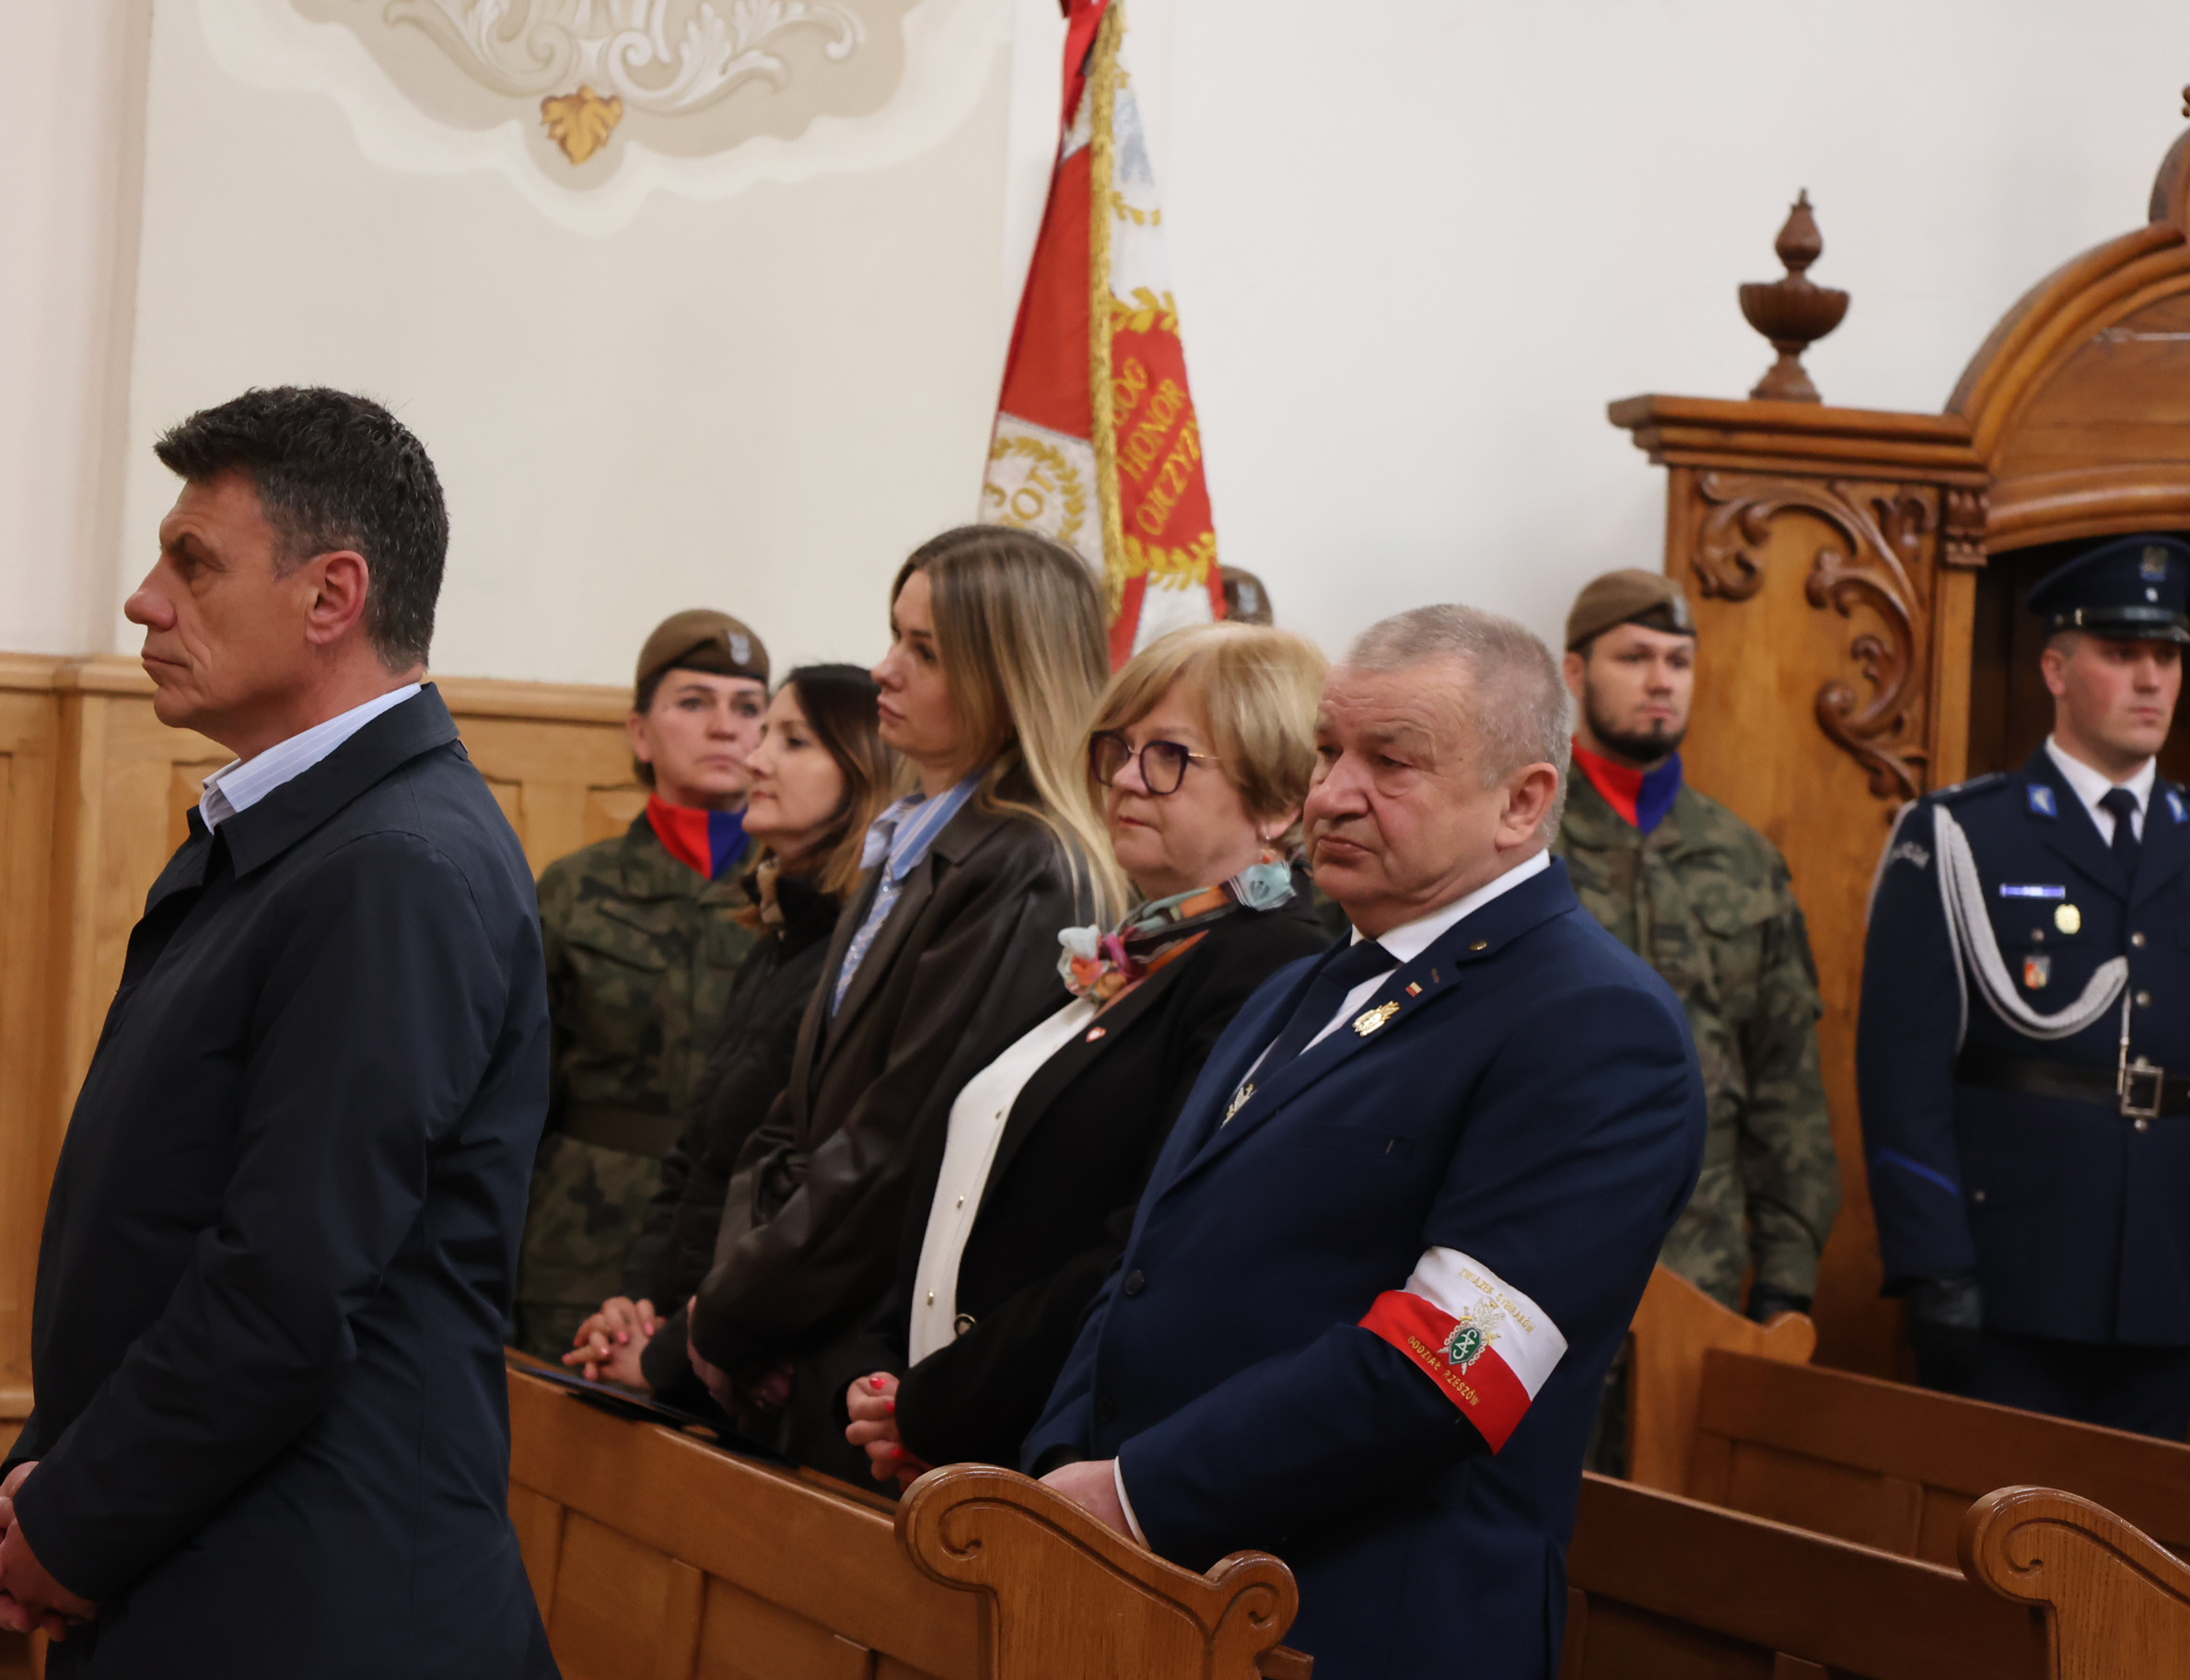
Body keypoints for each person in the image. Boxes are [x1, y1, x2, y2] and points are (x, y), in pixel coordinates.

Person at [0, 387, 556, 1673]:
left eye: (193, 563)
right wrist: (55, 1480)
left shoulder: (393, 865)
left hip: (316, 1594)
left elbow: (284, 1281)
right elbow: (164, 1218)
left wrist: (76, 1521)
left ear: (332, 596)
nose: (145, 601)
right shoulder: (303, 838)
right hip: (221, 1548)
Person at [1021, 604, 1707, 1680]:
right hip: (1156, 1587)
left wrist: (1133, 1492)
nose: (1332, 794)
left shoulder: (1595, 1024)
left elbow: (1450, 1365)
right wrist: (1065, 1460)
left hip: (1357, 1623)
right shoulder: (1302, 983)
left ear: (1523, 802)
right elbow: (1149, 1266)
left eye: (1391, 762)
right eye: (1327, 752)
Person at [842, 624, 1334, 1482]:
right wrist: (887, 1365)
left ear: (1278, 801)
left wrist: (938, 1402)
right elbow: (972, 1178)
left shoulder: (1268, 963)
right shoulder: (1144, 947)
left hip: (1058, 1454)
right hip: (951, 1428)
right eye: (1120, 748)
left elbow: (1142, 1245)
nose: (1127, 779)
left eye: (1170, 756)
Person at [687, 524, 1122, 1479]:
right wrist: (740, 1298)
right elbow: (797, 1115)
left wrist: (739, 1313)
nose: (885, 669)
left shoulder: (1024, 865)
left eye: (925, 651)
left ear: (1007, 674)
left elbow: (901, 1143)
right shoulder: (916, 839)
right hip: (805, 1318)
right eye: (896, 635)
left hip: (870, 1350)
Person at [1860, 534, 2190, 1438]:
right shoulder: (1962, 836)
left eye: (2167, 657)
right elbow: (1902, 1073)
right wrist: (1933, 1261)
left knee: (2144, 1529)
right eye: (2122, 654)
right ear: (2055, 670)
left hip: (2164, 1285)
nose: (2151, 680)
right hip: (2006, 1277)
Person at [561, 664, 898, 1401]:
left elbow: (818, 1197)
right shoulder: (778, 939)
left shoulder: (856, 954)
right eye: (764, 732)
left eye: (791, 740)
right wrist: (638, 1307)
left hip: (744, 1356)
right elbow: (698, 1157)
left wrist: (679, 1353)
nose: (754, 755)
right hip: (675, 1322)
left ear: (863, 769)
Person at [1556, 569, 1837, 1321]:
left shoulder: (1743, 858)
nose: (1661, 681)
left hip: (1698, 1265)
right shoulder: (1517, 840)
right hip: (1535, 1250)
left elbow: (1786, 1080)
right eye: (1635, 657)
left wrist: (1787, 1274)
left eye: (1678, 661)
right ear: (1575, 672)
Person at [513, 611, 771, 1358]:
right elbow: (516, 1089)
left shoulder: (805, 895)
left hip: (740, 1235)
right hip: (581, 1232)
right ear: (640, 733)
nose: (725, 727)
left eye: (748, 707)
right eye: (694, 702)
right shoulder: (573, 889)